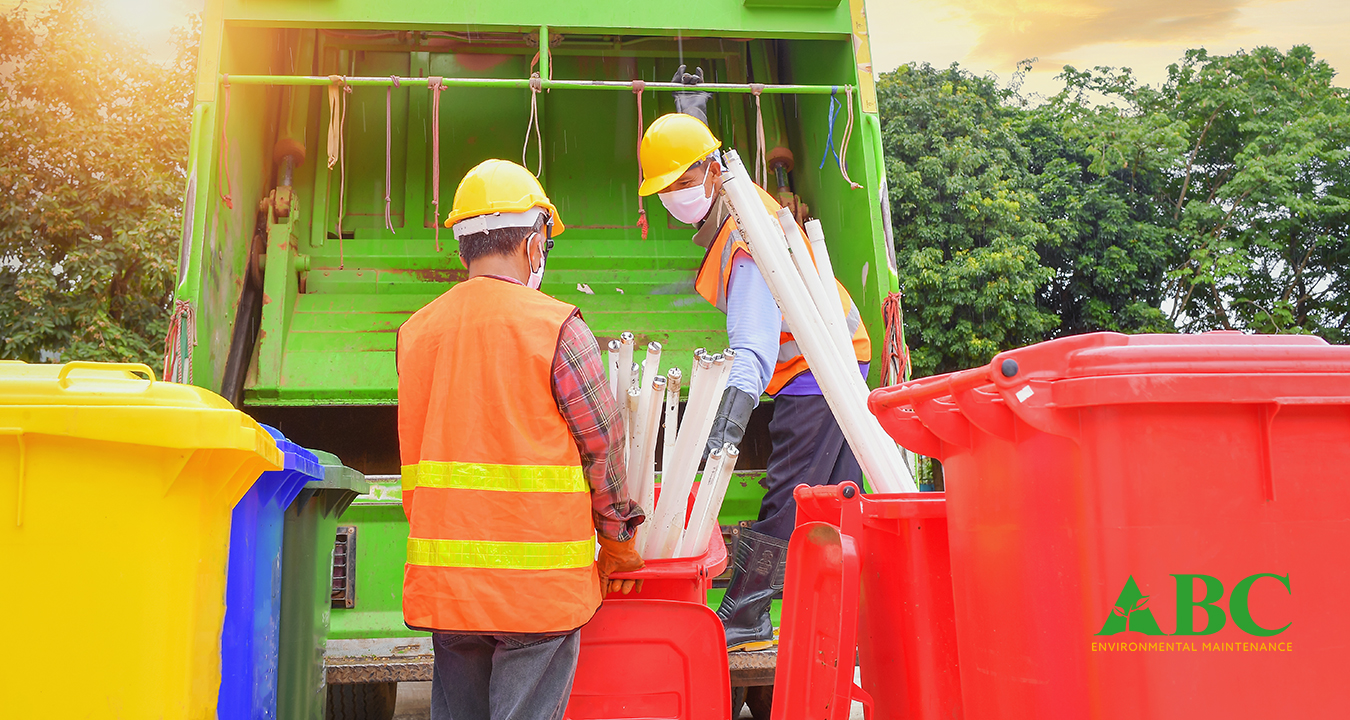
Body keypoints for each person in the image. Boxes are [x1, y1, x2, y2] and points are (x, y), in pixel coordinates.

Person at [397, 159, 646, 720]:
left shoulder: (417, 334)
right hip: (539, 592)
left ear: (463, 248)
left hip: (451, 588)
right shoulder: (557, 326)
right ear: (534, 246)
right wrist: (616, 538)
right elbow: (601, 442)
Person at [637, 71, 872, 653]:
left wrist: (726, 429)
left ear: (712, 174)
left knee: (790, 495)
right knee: (835, 501)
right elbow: (706, 155)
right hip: (838, 364)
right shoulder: (738, 199)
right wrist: (689, 108)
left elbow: (754, 349)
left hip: (816, 372)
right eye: (664, 189)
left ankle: (745, 612)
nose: (674, 198)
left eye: (681, 183)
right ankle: (832, 615)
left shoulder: (743, 241)